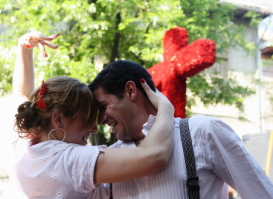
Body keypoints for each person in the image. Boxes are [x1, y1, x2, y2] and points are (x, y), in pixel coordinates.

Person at [12, 31, 175, 199]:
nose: (95, 128)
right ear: (59, 120)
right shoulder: (72, 161)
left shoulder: (30, 140)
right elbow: (155, 156)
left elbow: (21, 94)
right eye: (87, 119)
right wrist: (166, 109)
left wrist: (24, 48)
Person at [89, 60, 273, 199]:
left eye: (103, 106)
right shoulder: (109, 159)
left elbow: (262, 194)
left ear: (130, 91)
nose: (101, 119)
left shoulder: (203, 132)